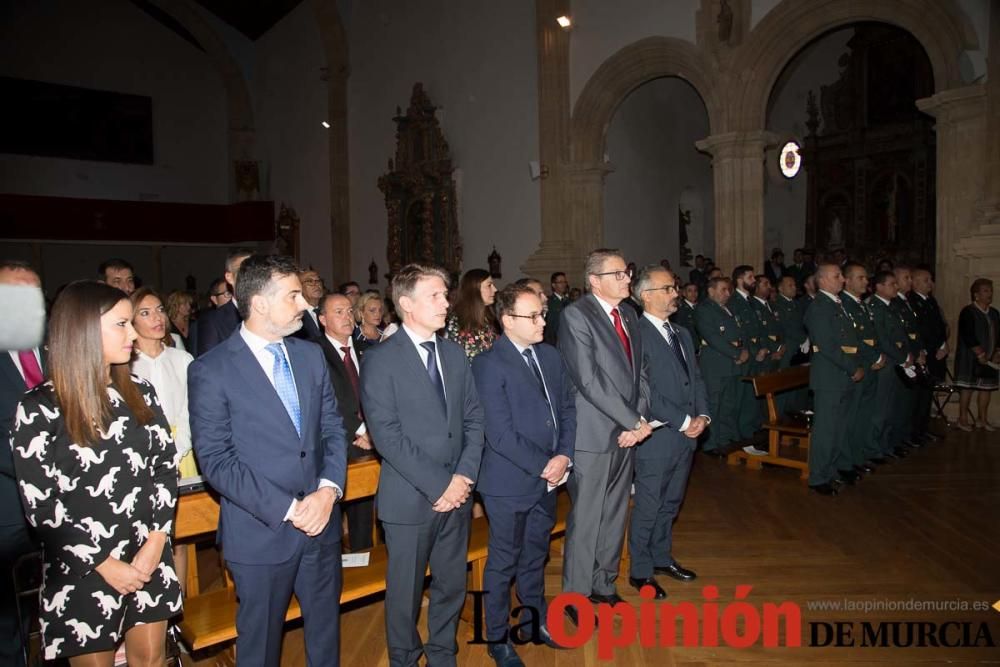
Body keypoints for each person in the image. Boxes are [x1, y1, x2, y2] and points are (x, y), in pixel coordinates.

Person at [189, 255, 347, 667]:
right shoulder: (212, 369)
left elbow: (332, 427)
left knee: (326, 635)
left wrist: (328, 492)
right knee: (259, 647)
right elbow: (217, 461)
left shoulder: (310, 357)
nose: (303, 304)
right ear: (259, 302)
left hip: (322, 523)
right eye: (293, 295)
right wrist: (292, 509)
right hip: (261, 532)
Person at [11, 280, 181, 663]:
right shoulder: (39, 409)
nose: (133, 334)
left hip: (146, 555)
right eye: (121, 324)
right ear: (84, 329)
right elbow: (43, 507)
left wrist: (156, 542)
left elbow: (164, 471)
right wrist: (104, 563)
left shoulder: (140, 392)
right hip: (83, 567)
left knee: (152, 661)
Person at [360, 264, 485, 667]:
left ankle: (443, 651)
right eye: (435, 295)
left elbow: (474, 419)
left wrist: (463, 477)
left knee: (450, 584)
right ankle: (404, 656)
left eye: (446, 295)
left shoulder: (452, 353)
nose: (446, 302)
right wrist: (440, 485)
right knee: (405, 590)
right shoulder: (381, 360)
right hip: (412, 498)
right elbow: (387, 436)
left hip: (458, 493)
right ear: (407, 303)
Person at [471, 283, 575, 665]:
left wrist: (563, 454)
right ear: (506, 320)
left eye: (542, 313)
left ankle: (535, 620)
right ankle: (497, 637)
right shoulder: (487, 364)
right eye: (532, 316)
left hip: (549, 477)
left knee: (535, 555)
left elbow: (567, 408)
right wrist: (545, 464)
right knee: (503, 561)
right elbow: (499, 434)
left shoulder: (549, 355)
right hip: (508, 482)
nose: (542, 321)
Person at [557, 249, 650, 624]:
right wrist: (631, 421)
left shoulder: (629, 314)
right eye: (619, 274)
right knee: (588, 515)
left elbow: (640, 371)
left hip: (628, 429)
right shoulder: (576, 315)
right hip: (594, 431)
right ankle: (575, 596)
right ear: (595, 280)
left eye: (628, 272)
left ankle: (603, 583)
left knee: (614, 512)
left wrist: (639, 418)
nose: (628, 278)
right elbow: (588, 379)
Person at [628, 266, 708, 600]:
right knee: (649, 504)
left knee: (671, 502)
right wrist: (684, 419)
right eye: (668, 288)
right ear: (646, 296)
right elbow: (644, 393)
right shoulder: (637, 335)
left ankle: (661, 557)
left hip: (686, 434)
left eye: (674, 287)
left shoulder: (682, 333)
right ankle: (640, 570)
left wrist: (702, 414)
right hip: (658, 435)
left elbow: (697, 379)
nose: (676, 293)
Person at [130, 288, 197, 597]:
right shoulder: (126, 365)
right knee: (146, 538)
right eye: (145, 313)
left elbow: (191, 408)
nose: (156, 318)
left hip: (181, 451)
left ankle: (179, 609)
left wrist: (178, 445)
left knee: (182, 536)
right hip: (140, 458)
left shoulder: (182, 358)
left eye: (159, 310)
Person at [0, 261, 43, 667]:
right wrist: (42, 474)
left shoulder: (56, 348)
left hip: (67, 505)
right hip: (9, 506)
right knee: (7, 617)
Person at [317, 292, 375, 551]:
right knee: (330, 519)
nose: (347, 316)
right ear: (322, 319)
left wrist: (374, 432)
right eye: (338, 312)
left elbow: (379, 394)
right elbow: (325, 401)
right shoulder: (315, 353)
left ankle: (363, 571)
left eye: (350, 311)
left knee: (364, 515)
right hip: (337, 444)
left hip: (373, 442)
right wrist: (359, 431)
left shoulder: (367, 350)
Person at [804, 264, 864, 495]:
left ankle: (832, 470)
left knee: (839, 428)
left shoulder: (837, 304)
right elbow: (828, 346)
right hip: (830, 377)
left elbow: (851, 340)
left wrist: (856, 365)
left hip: (842, 375)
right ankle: (818, 477)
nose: (842, 280)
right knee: (827, 430)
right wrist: (852, 367)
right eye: (837, 276)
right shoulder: (819, 307)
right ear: (823, 280)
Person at [695, 277, 749, 456]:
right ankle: (710, 444)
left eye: (729, 290)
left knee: (728, 404)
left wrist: (744, 350)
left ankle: (724, 438)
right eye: (723, 290)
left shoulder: (729, 309)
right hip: (715, 364)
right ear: (711, 291)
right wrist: (736, 353)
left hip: (731, 364)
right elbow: (713, 337)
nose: (728, 293)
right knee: (713, 405)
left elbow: (741, 332)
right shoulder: (704, 309)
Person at [840, 263, 885, 474]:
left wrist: (879, 354)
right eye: (861, 278)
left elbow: (872, 334)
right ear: (847, 281)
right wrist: (872, 356)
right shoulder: (844, 306)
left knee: (864, 417)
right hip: (858, 366)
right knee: (851, 418)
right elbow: (853, 340)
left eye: (866, 278)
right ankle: (846, 461)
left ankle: (858, 456)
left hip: (869, 366)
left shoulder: (861, 305)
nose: (866, 282)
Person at [869, 271, 914, 460]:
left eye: (897, 283)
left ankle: (885, 445)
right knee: (880, 410)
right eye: (892, 283)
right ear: (879, 287)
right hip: (887, 363)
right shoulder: (875, 307)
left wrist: (908, 354)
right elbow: (883, 339)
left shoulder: (891, 306)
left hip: (897, 362)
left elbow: (902, 334)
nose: (896, 287)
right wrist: (902, 357)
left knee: (890, 408)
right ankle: (874, 449)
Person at [954, 278, 1000, 431]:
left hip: (990, 359)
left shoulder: (994, 313)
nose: (990, 293)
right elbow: (968, 335)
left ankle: (982, 419)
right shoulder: (968, 312)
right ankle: (962, 419)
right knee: (967, 388)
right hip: (970, 358)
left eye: (990, 290)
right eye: (986, 290)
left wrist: (996, 353)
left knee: (986, 389)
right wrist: (980, 353)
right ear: (976, 295)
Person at [909, 268, 948, 440]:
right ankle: (914, 432)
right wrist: (921, 350)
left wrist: (944, 345)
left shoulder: (931, 301)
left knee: (927, 396)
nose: (931, 283)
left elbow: (941, 326)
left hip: (935, 355)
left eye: (931, 279)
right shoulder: (911, 302)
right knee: (917, 396)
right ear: (915, 282)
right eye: (926, 280)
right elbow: (915, 330)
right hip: (921, 355)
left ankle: (923, 429)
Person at [730, 266, 765, 450]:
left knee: (752, 397)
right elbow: (739, 331)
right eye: (750, 277)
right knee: (741, 398)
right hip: (746, 356)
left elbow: (758, 329)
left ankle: (750, 431)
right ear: (739, 280)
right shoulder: (734, 301)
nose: (754, 280)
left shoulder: (751, 301)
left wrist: (762, 348)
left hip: (756, 356)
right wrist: (752, 350)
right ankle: (742, 435)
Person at [892, 266, 926, 447]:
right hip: (902, 358)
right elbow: (900, 335)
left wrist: (920, 351)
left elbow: (914, 331)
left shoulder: (907, 302)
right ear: (895, 282)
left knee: (908, 403)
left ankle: (905, 437)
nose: (910, 281)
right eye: (907, 278)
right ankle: (896, 440)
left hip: (912, 356)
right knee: (899, 403)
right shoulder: (895, 303)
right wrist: (909, 355)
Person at [196, 248, 252, 356]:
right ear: (230, 277)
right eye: (244, 271)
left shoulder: (273, 313)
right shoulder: (213, 321)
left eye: (255, 270)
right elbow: (209, 365)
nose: (251, 276)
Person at [444, 268, 499, 360]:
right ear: (474, 289)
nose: (495, 289)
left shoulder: (489, 317)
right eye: (489, 285)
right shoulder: (458, 323)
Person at [293, 268, 325, 342]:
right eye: (309, 281)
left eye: (318, 280)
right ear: (298, 287)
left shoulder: (327, 310)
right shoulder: (295, 315)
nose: (316, 284)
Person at [672, 282, 700, 354]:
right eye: (690, 291)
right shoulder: (680, 309)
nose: (693, 293)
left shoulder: (700, 307)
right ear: (684, 293)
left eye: (695, 290)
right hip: (690, 346)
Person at [544, 272, 570, 345]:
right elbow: (550, 326)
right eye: (560, 282)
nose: (563, 284)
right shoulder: (549, 302)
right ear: (553, 285)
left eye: (565, 282)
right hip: (555, 341)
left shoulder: (569, 302)